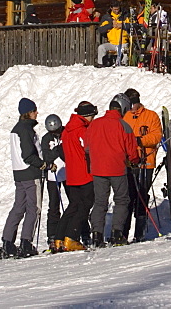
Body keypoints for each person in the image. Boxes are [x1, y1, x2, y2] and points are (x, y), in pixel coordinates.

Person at [84, 93, 140, 246]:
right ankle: (117, 233)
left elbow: (86, 147)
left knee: (100, 202)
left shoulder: (94, 124)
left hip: (98, 170)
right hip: (117, 169)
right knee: (121, 200)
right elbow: (132, 152)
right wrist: (135, 160)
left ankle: (96, 234)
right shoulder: (124, 125)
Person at [0, 98, 50, 260]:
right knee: (33, 208)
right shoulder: (26, 129)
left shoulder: (16, 128)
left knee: (18, 207)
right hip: (30, 172)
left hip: (19, 173)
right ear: (28, 113)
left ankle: (7, 242)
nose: (37, 113)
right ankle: (26, 242)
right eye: (35, 110)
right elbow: (28, 154)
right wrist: (42, 164)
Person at [53, 101, 97, 252]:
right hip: (84, 173)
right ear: (88, 116)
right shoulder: (82, 130)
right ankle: (71, 237)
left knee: (73, 206)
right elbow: (89, 148)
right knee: (85, 205)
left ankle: (58, 238)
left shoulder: (67, 130)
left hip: (71, 174)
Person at [122, 88, 162, 242]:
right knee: (128, 196)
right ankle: (124, 232)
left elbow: (156, 135)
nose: (132, 107)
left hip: (146, 162)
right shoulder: (125, 116)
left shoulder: (151, 115)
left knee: (142, 196)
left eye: (134, 103)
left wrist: (139, 141)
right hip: (129, 162)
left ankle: (140, 231)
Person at [41, 114, 66, 253]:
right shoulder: (46, 139)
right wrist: (57, 151)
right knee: (54, 205)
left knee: (76, 203)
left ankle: (78, 232)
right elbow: (45, 156)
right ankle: (52, 236)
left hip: (68, 172)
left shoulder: (66, 133)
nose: (55, 134)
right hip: (53, 174)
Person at [96, 2, 128, 66]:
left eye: (118, 9)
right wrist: (110, 25)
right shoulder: (107, 17)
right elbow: (101, 29)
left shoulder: (125, 16)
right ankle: (100, 64)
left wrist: (122, 25)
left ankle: (124, 64)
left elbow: (132, 26)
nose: (116, 11)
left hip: (123, 42)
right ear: (111, 8)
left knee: (126, 50)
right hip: (112, 43)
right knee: (101, 47)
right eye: (115, 9)